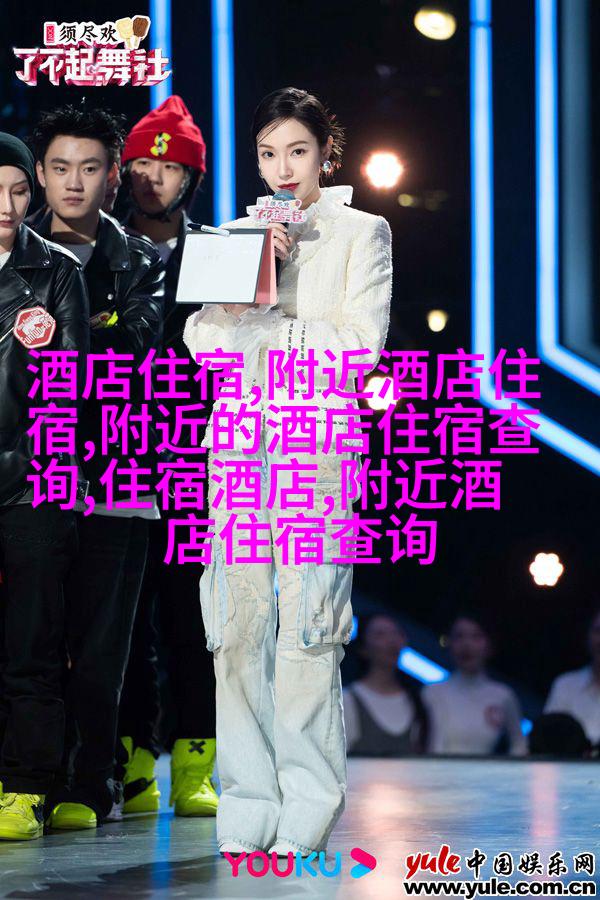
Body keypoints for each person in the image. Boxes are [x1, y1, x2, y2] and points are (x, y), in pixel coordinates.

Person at [183, 86, 393, 856]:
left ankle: (308, 802)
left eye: (297, 151)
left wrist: (265, 329)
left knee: (310, 626)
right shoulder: (235, 235)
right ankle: (247, 802)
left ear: (325, 153)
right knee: (236, 628)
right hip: (239, 448)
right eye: (268, 153)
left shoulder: (362, 232)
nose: (282, 168)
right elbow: (201, 342)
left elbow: (358, 347)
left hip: (318, 451)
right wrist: (252, 289)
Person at [28, 105, 165, 830]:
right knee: (32, 636)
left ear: (114, 176)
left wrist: (62, 343)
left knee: (105, 642)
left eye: (89, 168)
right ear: (39, 174)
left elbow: (138, 354)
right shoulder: (13, 254)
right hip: (32, 470)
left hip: (120, 468)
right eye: (60, 168)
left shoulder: (142, 262)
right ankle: (32, 775)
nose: (73, 183)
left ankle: (92, 779)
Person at [116, 95, 218, 817]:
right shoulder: (100, 249)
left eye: (170, 166)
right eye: (142, 166)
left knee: (193, 617)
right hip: (114, 452)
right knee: (119, 619)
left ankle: (195, 765)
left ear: (193, 177)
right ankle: (129, 763)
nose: (154, 178)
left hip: (195, 457)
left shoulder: (221, 251)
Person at [0, 133, 89, 841]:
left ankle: (26, 784)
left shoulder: (55, 272)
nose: (7, 206)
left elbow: (71, 389)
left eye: (17, 190)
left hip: (29, 481)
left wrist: (49, 482)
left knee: (32, 642)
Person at [422, 614, 527, 756]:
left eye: (476, 637)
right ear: (450, 643)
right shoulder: (432, 692)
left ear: (489, 645)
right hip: (437, 769)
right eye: (459, 636)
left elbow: (519, 744)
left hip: (485, 770)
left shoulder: (503, 695)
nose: (467, 645)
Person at [343, 613, 428, 756]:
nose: (391, 641)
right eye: (380, 635)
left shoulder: (416, 699)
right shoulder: (347, 699)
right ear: (363, 648)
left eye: (396, 633)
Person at [543, 608, 600, 748]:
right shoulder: (565, 685)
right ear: (587, 637)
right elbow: (547, 737)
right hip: (570, 761)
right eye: (598, 631)